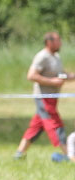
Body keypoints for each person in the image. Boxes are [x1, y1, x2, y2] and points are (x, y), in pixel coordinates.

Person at [14, 31, 72, 161]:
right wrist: (52, 82)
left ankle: (19, 153)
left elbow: (61, 75)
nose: (60, 43)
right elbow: (31, 75)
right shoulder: (42, 56)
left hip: (53, 98)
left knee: (37, 126)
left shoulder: (56, 57)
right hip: (43, 98)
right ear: (49, 42)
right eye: (58, 40)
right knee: (55, 124)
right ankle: (70, 155)